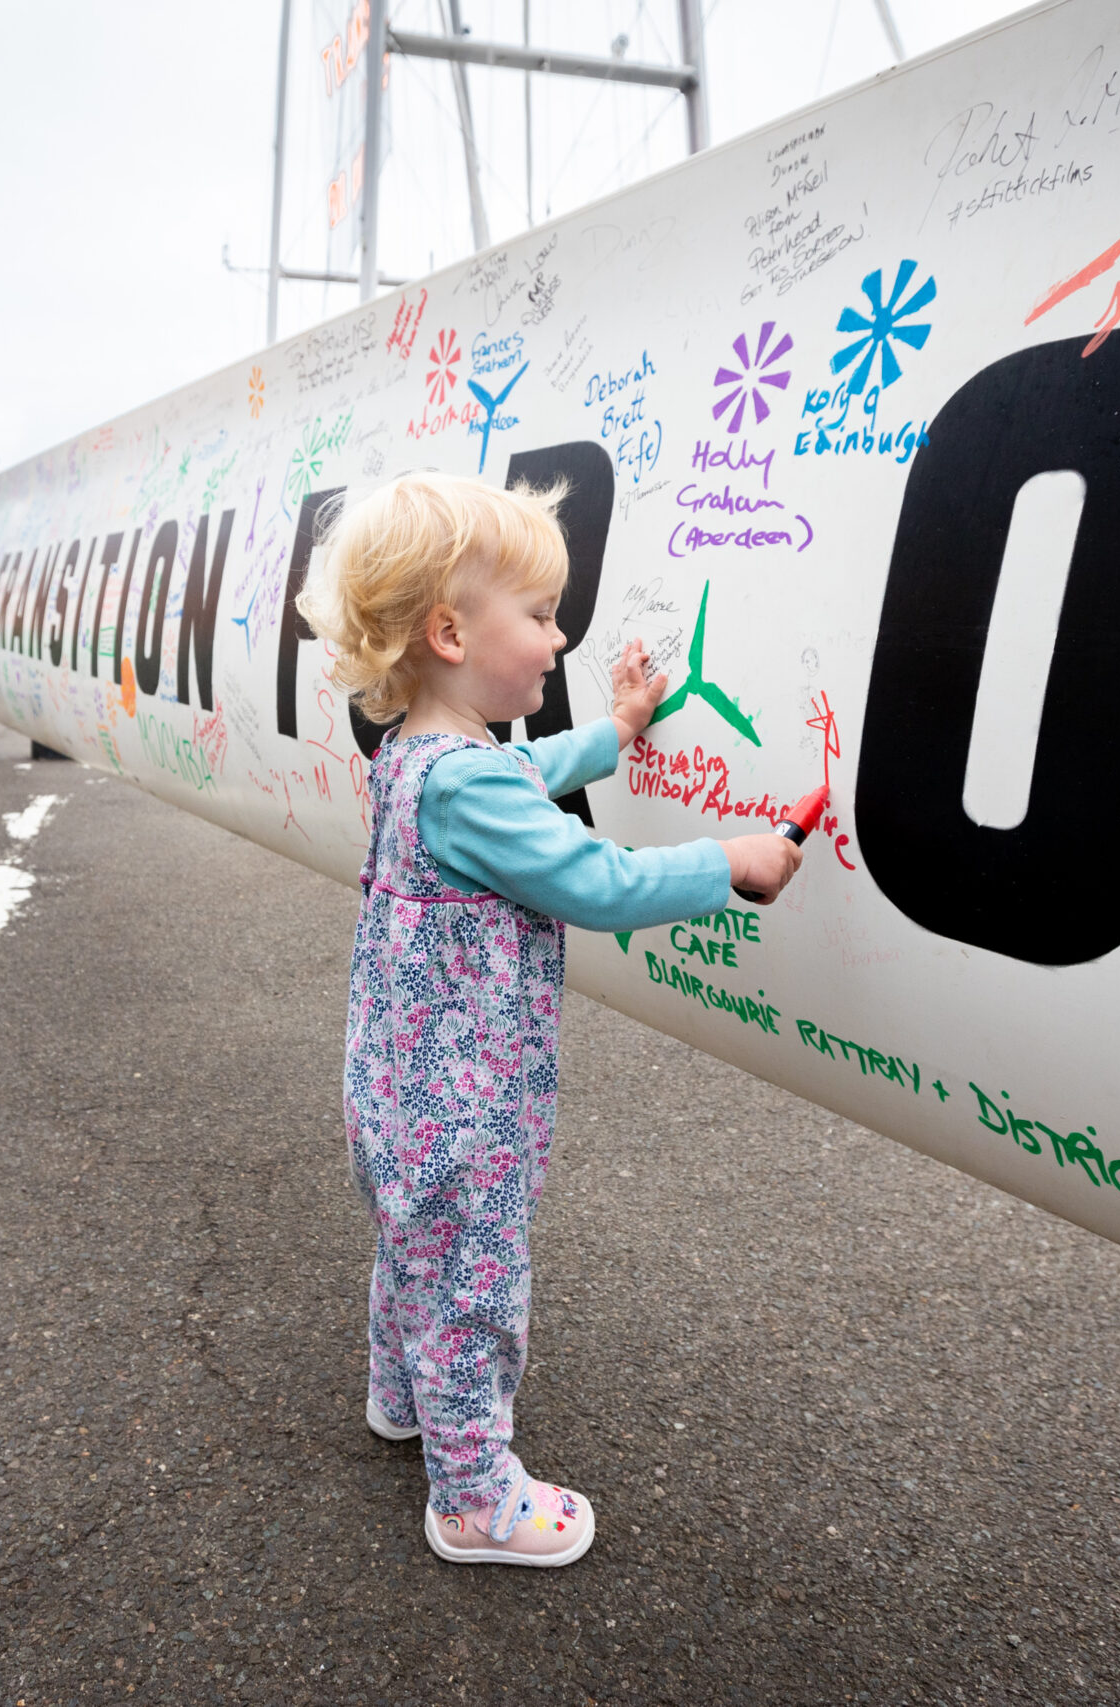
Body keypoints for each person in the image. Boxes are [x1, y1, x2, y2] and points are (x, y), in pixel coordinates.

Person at [297, 471, 805, 1567]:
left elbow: (524, 767)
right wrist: (730, 863)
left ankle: (404, 1397)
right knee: (475, 1289)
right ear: (447, 632)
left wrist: (616, 730)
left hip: (400, 1098)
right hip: (463, 1113)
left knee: (414, 1255)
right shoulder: (466, 787)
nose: (558, 635)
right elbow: (598, 882)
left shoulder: (416, 761)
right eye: (535, 616)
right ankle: (473, 1495)